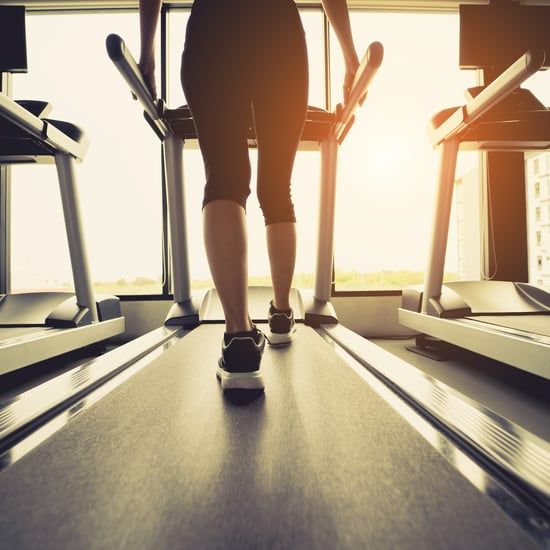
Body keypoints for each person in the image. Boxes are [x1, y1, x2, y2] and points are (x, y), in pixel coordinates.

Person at [138, 0, 359, 391]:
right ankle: (280, 314)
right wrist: (349, 55)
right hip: (278, 31)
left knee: (224, 179)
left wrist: (147, 53)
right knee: (277, 188)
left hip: (213, 26)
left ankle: (239, 336)